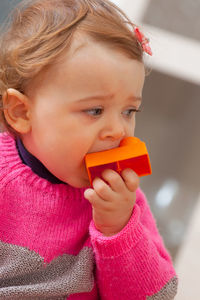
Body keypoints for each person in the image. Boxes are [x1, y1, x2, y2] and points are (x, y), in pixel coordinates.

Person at [0, 0, 178, 299]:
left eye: (129, 111)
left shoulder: (124, 202)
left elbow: (157, 295)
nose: (118, 131)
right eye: (95, 110)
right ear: (21, 112)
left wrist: (118, 229)